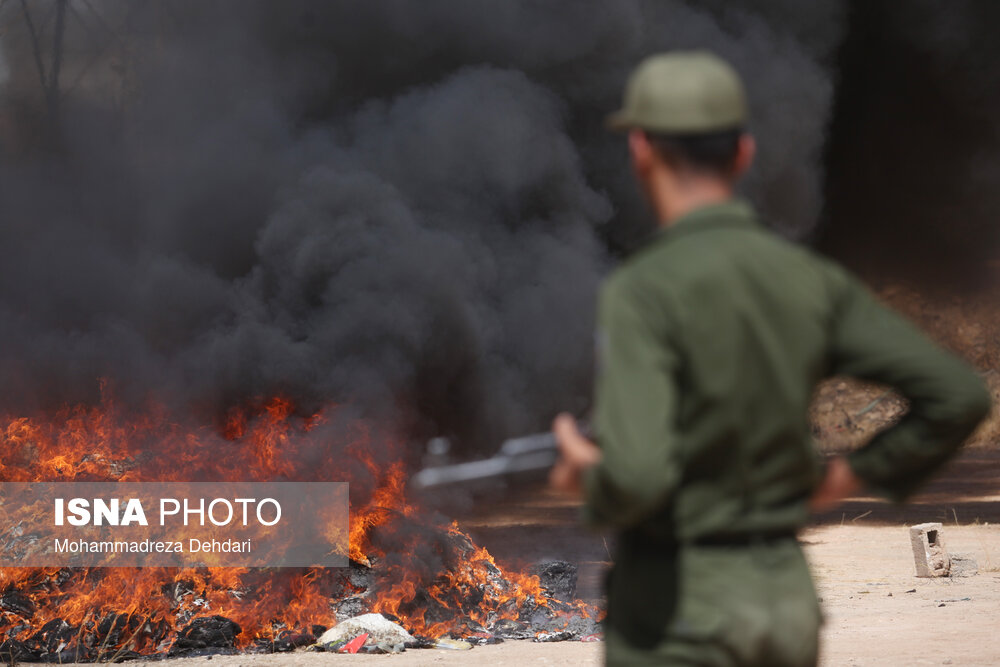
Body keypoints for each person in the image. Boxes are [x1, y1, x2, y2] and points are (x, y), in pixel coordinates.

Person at [550, 51, 991, 666]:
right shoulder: (808, 279)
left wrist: (584, 476)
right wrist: (853, 475)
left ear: (641, 151)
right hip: (780, 602)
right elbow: (959, 394)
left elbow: (642, 477)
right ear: (744, 153)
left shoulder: (642, 288)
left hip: (677, 607)